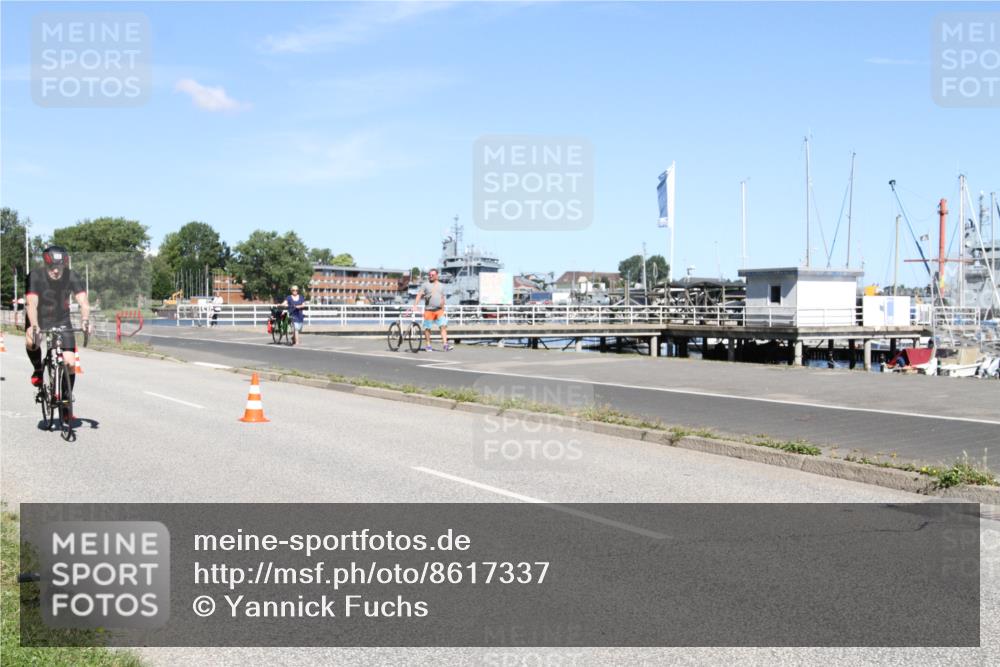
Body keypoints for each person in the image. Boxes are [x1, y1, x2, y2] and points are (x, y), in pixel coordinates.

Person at [24, 245, 91, 389]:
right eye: (52, 267)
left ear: (64, 265)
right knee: (32, 341)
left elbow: (84, 302)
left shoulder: (71, 276)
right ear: (46, 265)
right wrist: (34, 326)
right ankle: (38, 369)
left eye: (59, 267)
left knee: (70, 362)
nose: (55, 270)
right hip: (38, 317)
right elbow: (31, 303)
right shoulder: (35, 276)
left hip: (61, 319)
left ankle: (66, 409)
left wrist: (85, 321)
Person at [411, 268, 451, 351]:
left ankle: (445, 344)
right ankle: (428, 345)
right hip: (428, 310)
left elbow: (442, 298)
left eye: (432, 275)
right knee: (427, 328)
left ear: (437, 275)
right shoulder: (425, 285)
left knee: (443, 326)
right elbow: (419, 295)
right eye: (430, 275)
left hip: (439, 310)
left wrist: (443, 309)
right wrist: (415, 305)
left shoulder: (441, 286)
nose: (431, 276)